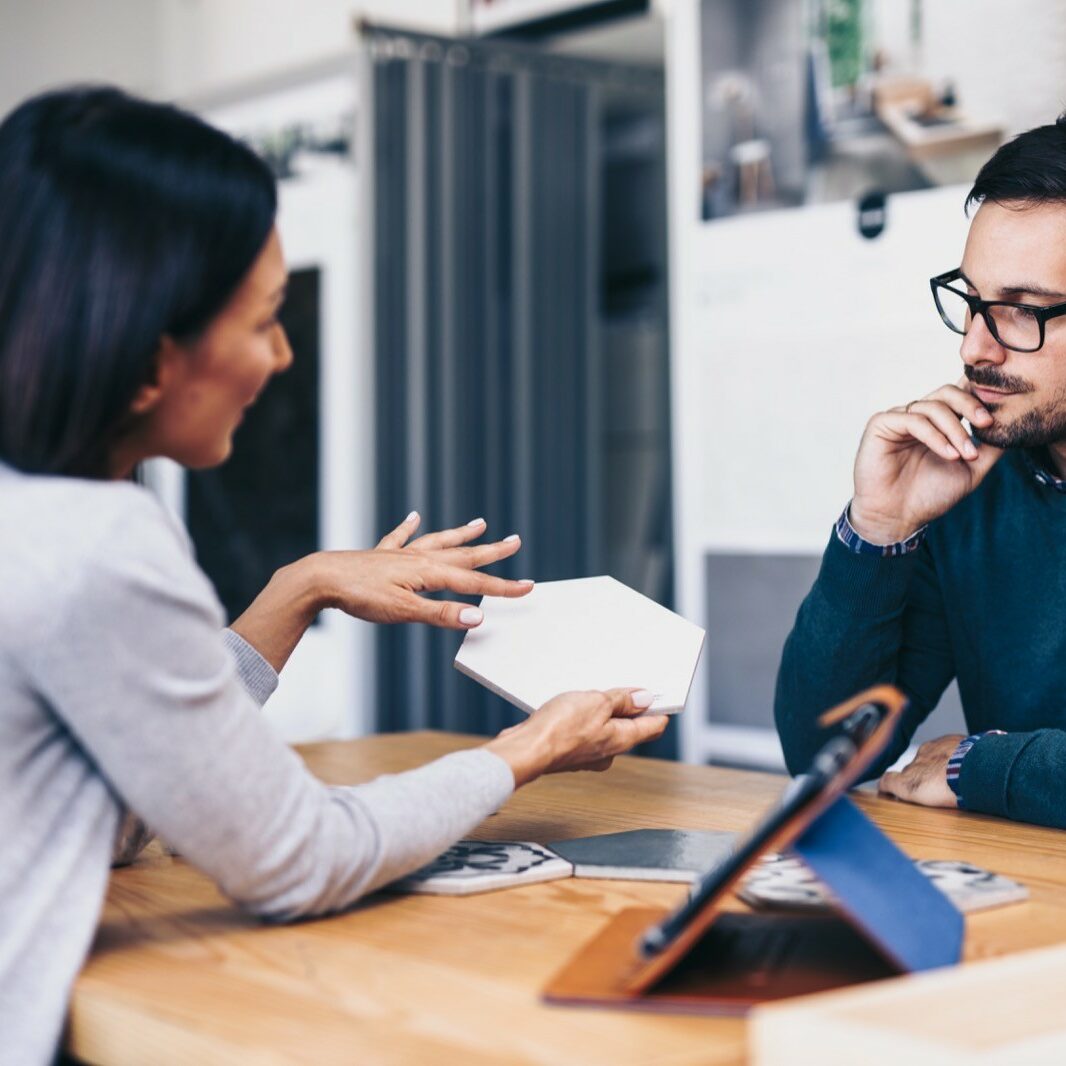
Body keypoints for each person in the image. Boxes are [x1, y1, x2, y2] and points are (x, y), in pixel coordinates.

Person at [0, 87, 668, 1066]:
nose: (283, 354)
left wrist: (298, 588)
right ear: (150, 360)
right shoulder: (93, 541)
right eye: (265, 319)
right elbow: (297, 860)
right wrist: (524, 749)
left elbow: (127, 792)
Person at [775, 115, 1066, 830]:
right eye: (972, 301)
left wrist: (982, 767)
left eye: (1020, 312)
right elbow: (824, 753)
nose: (975, 347)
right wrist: (878, 532)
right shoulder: (974, 484)